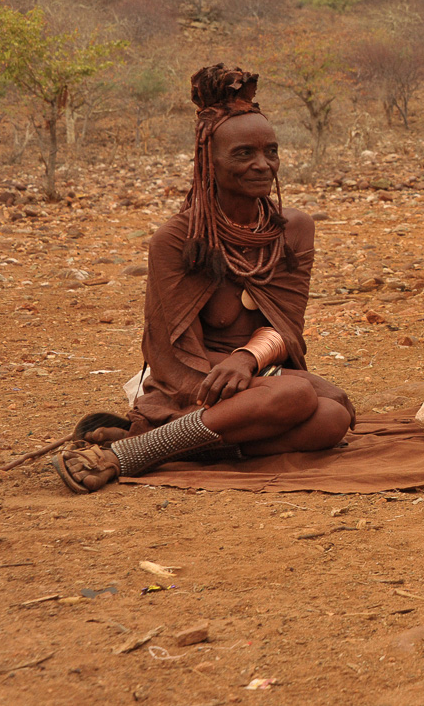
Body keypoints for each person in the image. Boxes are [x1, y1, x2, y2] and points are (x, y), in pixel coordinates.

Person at [52, 65, 354, 493]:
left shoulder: (293, 229)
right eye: (244, 154)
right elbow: (170, 355)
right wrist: (238, 372)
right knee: (299, 398)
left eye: (271, 151)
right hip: (192, 386)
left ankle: (176, 445)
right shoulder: (176, 240)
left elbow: (286, 330)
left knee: (335, 415)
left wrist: (246, 361)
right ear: (207, 161)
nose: (263, 165)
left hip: (257, 374)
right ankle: (128, 454)